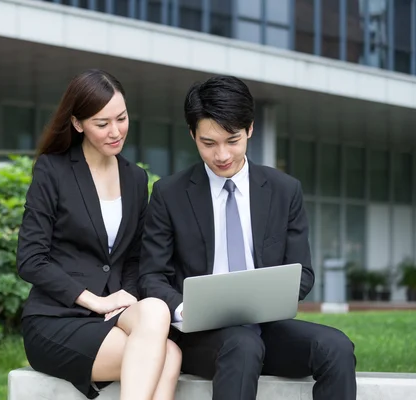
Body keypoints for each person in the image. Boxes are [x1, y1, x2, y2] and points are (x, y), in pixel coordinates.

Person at [138, 75, 357, 400]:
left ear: (250, 129)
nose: (222, 154)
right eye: (208, 143)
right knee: (241, 346)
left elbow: (303, 272)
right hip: (202, 337)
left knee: (336, 346)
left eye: (232, 140)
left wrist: (268, 298)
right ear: (192, 135)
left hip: (268, 328)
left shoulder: (284, 190)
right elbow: (152, 276)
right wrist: (185, 309)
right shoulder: (169, 194)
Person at [17, 69, 181, 400]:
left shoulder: (135, 179)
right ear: (78, 124)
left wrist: (124, 299)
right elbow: (30, 260)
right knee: (167, 356)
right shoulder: (54, 170)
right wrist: (97, 301)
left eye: (121, 118)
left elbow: (134, 259)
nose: (115, 131)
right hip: (57, 318)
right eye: (101, 123)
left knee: (158, 313)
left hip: (113, 315)